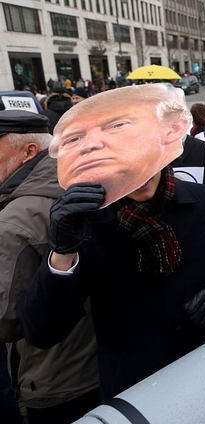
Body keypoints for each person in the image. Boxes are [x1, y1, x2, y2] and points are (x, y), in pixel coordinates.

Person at [20, 87, 205, 402]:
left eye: (144, 156)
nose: (139, 173)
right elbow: (43, 331)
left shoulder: (203, 202)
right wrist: (62, 253)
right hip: (133, 392)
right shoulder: (87, 224)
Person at [0, 110, 100, 423]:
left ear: (28, 151)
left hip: (56, 376)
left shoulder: (13, 220)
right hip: (100, 360)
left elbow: (7, 323)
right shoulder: (83, 177)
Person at [51, 84, 186, 206]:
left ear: (174, 129)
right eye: (75, 139)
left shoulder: (202, 201)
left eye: (117, 125)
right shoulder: (81, 215)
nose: (90, 144)